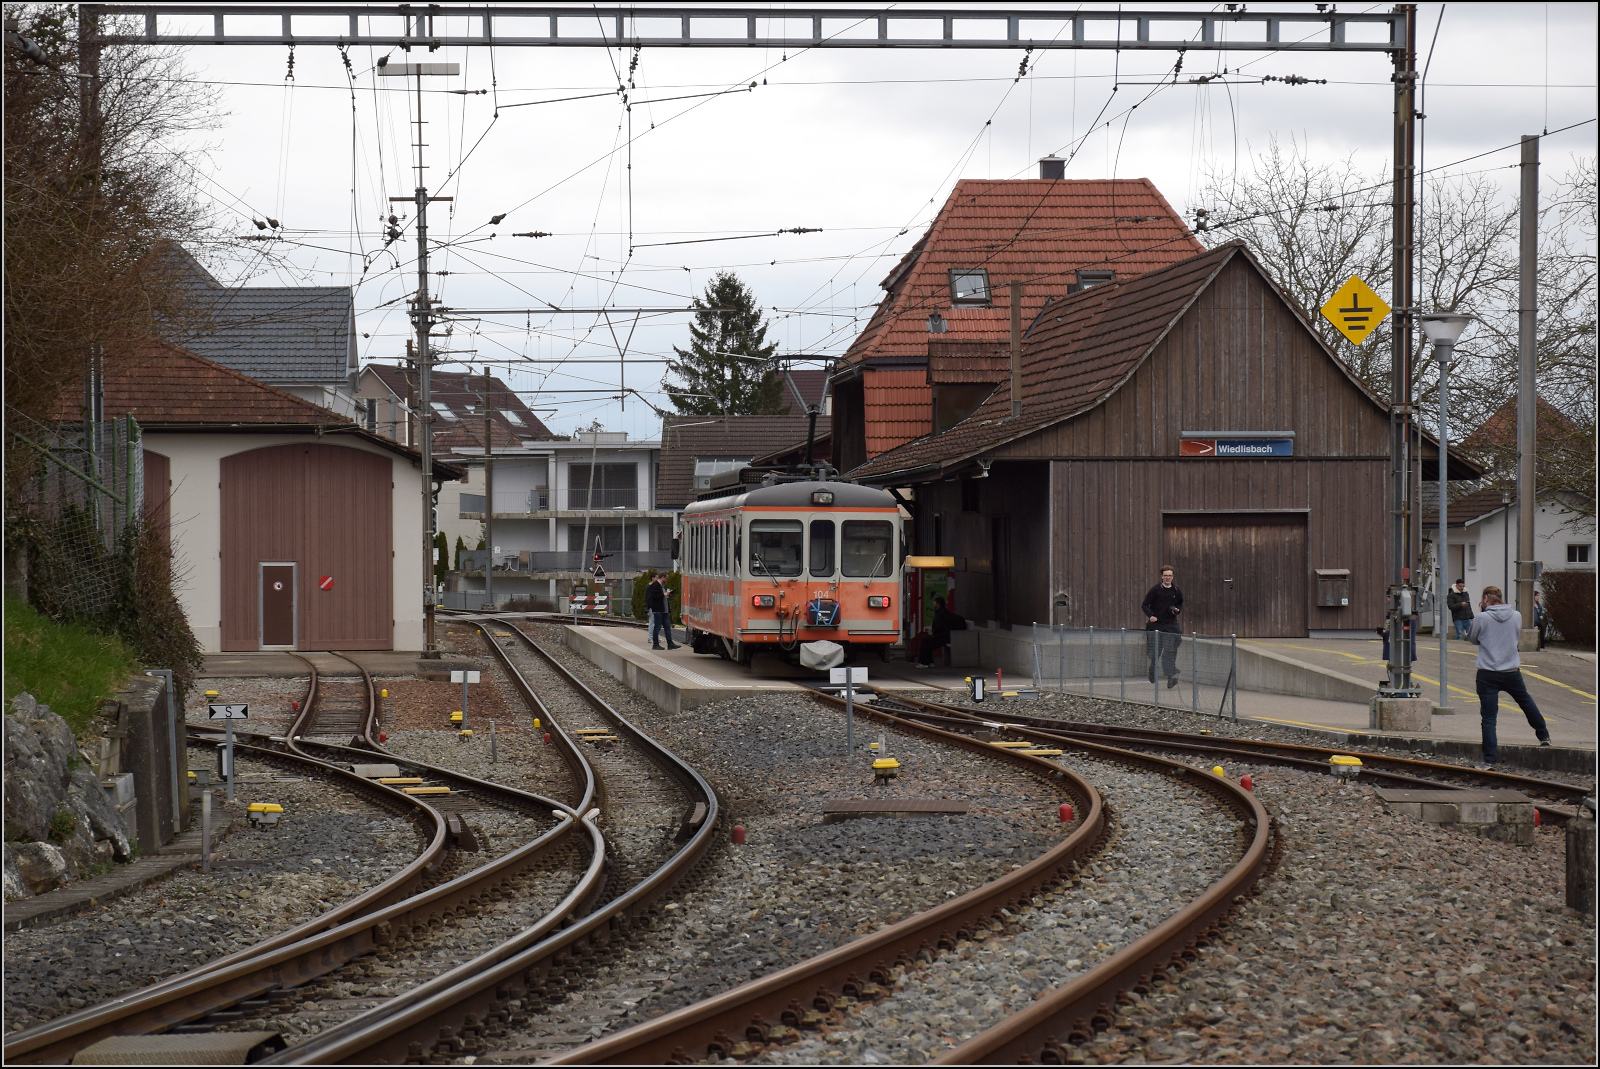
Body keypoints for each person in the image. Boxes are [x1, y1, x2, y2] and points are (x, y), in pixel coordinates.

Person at [1466, 585, 1551, 768]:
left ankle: (1489, 760)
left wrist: (1483, 616)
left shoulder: (1482, 617)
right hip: (1511, 671)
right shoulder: (1517, 615)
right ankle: (1543, 734)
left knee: (1489, 717)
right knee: (1525, 702)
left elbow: (1473, 639)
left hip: (1487, 673)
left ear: (1486, 599)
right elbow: (1514, 636)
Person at [1141, 566, 1184, 688]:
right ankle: (1152, 668)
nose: (1167, 578)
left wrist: (1176, 610)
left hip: (1170, 625)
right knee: (1156, 650)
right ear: (1162, 576)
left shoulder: (1176, 591)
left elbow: (1180, 603)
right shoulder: (1155, 590)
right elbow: (1145, 605)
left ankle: (1171, 678)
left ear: (1172, 577)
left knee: (1170, 651)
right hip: (1156, 624)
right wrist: (1151, 616)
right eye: (1165, 575)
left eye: (1170, 575)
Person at [917, 596, 965, 666]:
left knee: (926, 642)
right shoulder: (942, 612)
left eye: (934, 602)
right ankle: (930, 662)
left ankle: (924, 662)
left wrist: (933, 632)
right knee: (927, 641)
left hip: (943, 636)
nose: (933, 603)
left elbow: (941, 626)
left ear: (938, 604)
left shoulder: (942, 613)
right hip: (943, 635)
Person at [645, 572, 679, 650]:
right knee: (657, 627)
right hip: (658, 610)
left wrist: (668, 594)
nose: (667, 580)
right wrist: (664, 594)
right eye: (666, 578)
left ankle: (670, 643)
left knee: (667, 627)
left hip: (664, 610)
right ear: (662, 577)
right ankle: (655, 644)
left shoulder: (661, 586)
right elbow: (654, 597)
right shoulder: (655, 586)